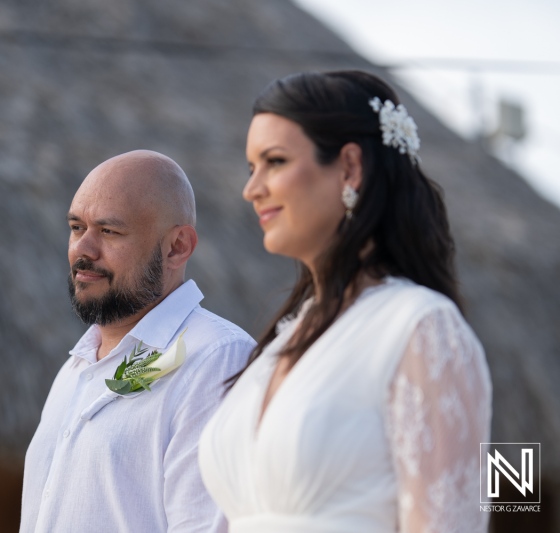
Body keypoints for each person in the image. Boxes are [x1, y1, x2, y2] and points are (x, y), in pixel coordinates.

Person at [198, 71, 492, 533]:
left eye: (274, 161)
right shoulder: (281, 340)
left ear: (350, 167)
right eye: (250, 167)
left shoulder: (420, 330)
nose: (251, 189)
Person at [20, 150, 255, 533]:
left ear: (177, 247)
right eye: (77, 227)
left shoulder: (216, 359)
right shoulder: (75, 368)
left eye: (109, 231)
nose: (83, 250)